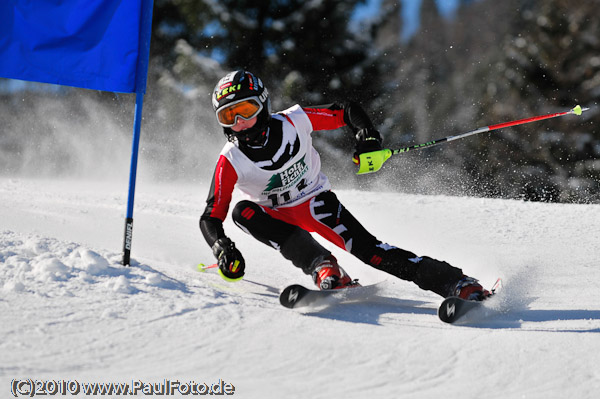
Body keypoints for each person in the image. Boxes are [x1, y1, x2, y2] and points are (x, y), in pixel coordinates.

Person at [200, 70, 490, 300]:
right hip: (274, 215)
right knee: (242, 212)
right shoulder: (231, 160)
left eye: (246, 110)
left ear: (263, 105)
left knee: (371, 251)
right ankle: (322, 266)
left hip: (315, 202)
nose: (240, 123)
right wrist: (221, 247)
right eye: (228, 116)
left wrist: (367, 137)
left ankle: (456, 282)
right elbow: (211, 216)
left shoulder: (294, 122)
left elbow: (345, 110)